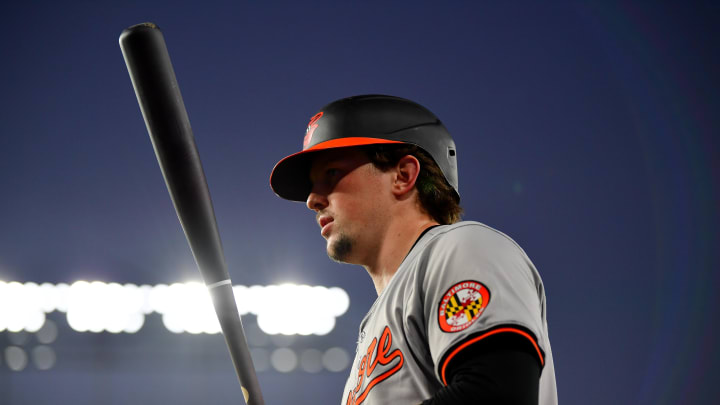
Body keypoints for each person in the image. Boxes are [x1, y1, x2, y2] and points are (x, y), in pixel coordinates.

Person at [269, 95, 557, 404]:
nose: (313, 199)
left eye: (332, 173)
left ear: (403, 175)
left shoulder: (460, 248)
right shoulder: (378, 321)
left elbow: (497, 391)